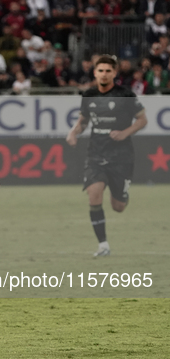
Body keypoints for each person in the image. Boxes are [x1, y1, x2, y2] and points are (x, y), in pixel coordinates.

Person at [66, 55, 147, 257]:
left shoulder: (125, 95)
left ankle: (123, 194)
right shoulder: (89, 95)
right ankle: (103, 245)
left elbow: (142, 120)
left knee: (118, 206)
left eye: (108, 71)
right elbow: (84, 121)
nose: (104, 74)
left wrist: (124, 133)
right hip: (96, 153)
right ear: (94, 73)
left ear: (114, 73)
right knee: (94, 195)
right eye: (100, 70)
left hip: (121, 156)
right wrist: (74, 131)